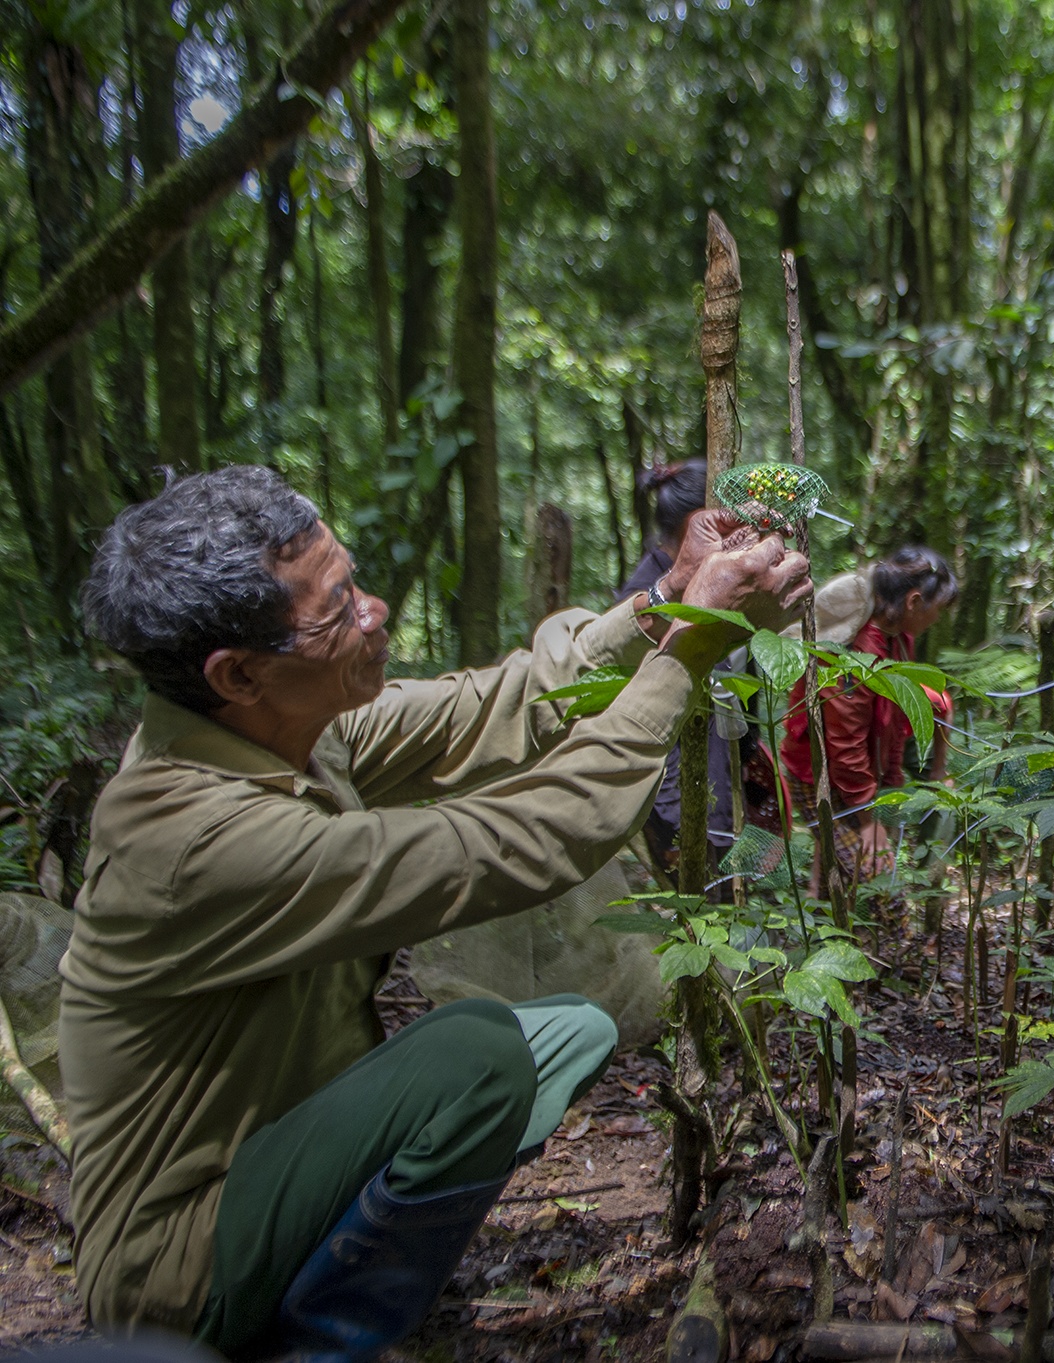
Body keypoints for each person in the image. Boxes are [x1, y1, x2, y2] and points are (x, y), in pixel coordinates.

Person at [62, 467, 809, 1356]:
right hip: (178, 1263)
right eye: (338, 609)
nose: (374, 612)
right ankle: (316, 1341)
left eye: (356, 582)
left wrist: (664, 600)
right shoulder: (191, 843)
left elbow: (489, 706)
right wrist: (691, 649)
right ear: (239, 673)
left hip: (282, 1151)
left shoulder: (265, 731)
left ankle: (346, 1262)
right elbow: (514, 840)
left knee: (564, 1033)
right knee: (476, 1053)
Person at [780, 546, 957, 886]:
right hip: (817, 775)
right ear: (914, 601)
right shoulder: (858, 648)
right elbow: (844, 740)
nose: (938, 618)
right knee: (878, 887)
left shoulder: (899, 640)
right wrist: (867, 817)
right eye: (937, 609)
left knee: (849, 880)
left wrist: (889, 788)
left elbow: (894, 721)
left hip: (856, 783)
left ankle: (822, 926)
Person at [617, 459, 742, 873]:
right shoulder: (647, 603)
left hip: (713, 806)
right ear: (697, 523)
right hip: (679, 815)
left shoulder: (706, 587)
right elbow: (648, 719)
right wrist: (675, 827)